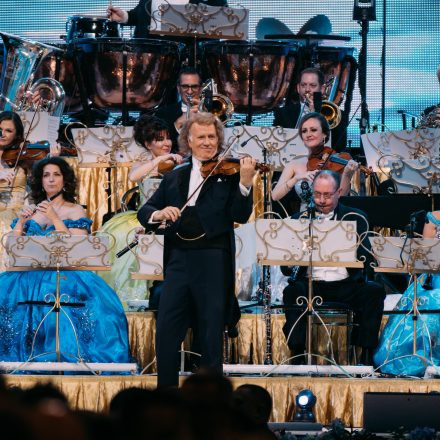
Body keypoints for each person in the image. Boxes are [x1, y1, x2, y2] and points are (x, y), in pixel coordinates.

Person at [137, 112, 257, 387]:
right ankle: (166, 398)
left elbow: (239, 215)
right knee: (167, 330)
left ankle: (208, 404)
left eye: (212, 137)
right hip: (178, 260)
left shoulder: (230, 175)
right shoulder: (174, 177)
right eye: (201, 137)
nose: (207, 142)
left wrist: (245, 183)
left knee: (210, 333)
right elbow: (145, 210)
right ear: (188, 140)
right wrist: (159, 214)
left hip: (213, 260)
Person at [0, 156, 131, 365]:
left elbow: (77, 246)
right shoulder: (32, 210)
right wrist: (21, 223)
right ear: (40, 181)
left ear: (65, 180)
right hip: (29, 273)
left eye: (56, 174)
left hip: (66, 272)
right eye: (46, 175)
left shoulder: (74, 209)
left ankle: (63, 355)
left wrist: (54, 218)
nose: (51, 180)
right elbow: (13, 250)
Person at [281, 170, 385, 365]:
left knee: (375, 292)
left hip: (346, 285)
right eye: (317, 194)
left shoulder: (355, 217)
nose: (321, 200)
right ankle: (297, 355)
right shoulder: (298, 219)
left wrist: (349, 248)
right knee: (291, 292)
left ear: (339, 192)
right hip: (311, 285)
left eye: (327, 195)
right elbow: (286, 269)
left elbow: (366, 258)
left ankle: (365, 356)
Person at [98, 115, 182, 307]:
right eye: (159, 139)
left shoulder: (176, 161)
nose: (167, 143)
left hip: (170, 218)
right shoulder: (145, 163)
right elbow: (134, 176)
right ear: (148, 143)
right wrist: (159, 160)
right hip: (145, 217)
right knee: (124, 237)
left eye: (168, 138)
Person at [373, 211, 440, 376]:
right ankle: (419, 358)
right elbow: (425, 248)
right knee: (426, 302)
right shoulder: (435, 217)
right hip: (435, 277)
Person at [271, 112, 358, 216]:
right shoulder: (294, 163)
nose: (308, 134)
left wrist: (348, 174)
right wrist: (297, 178)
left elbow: (341, 196)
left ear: (324, 134)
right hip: (303, 219)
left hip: (332, 219)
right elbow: (275, 196)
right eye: (304, 131)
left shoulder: (334, 162)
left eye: (313, 130)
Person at [273, 67, 348, 151]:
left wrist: (315, 113)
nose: (307, 89)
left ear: (322, 89)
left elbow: (339, 146)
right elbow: (277, 143)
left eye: (312, 85)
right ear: (298, 88)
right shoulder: (283, 113)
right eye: (303, 85)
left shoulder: (337, 114)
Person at [107, 0, 228, 39]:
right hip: (148, 54)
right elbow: (142, 14)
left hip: (187, 58)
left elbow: (223, 18)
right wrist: (125, 16)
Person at [154, 66, 203, 151]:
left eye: (194, 86)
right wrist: (178, 123)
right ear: (178, 88)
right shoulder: (163, 113)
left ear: (200, 89)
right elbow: (159, 148)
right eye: (185, 86)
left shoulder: (212, 113)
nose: (190, 91)